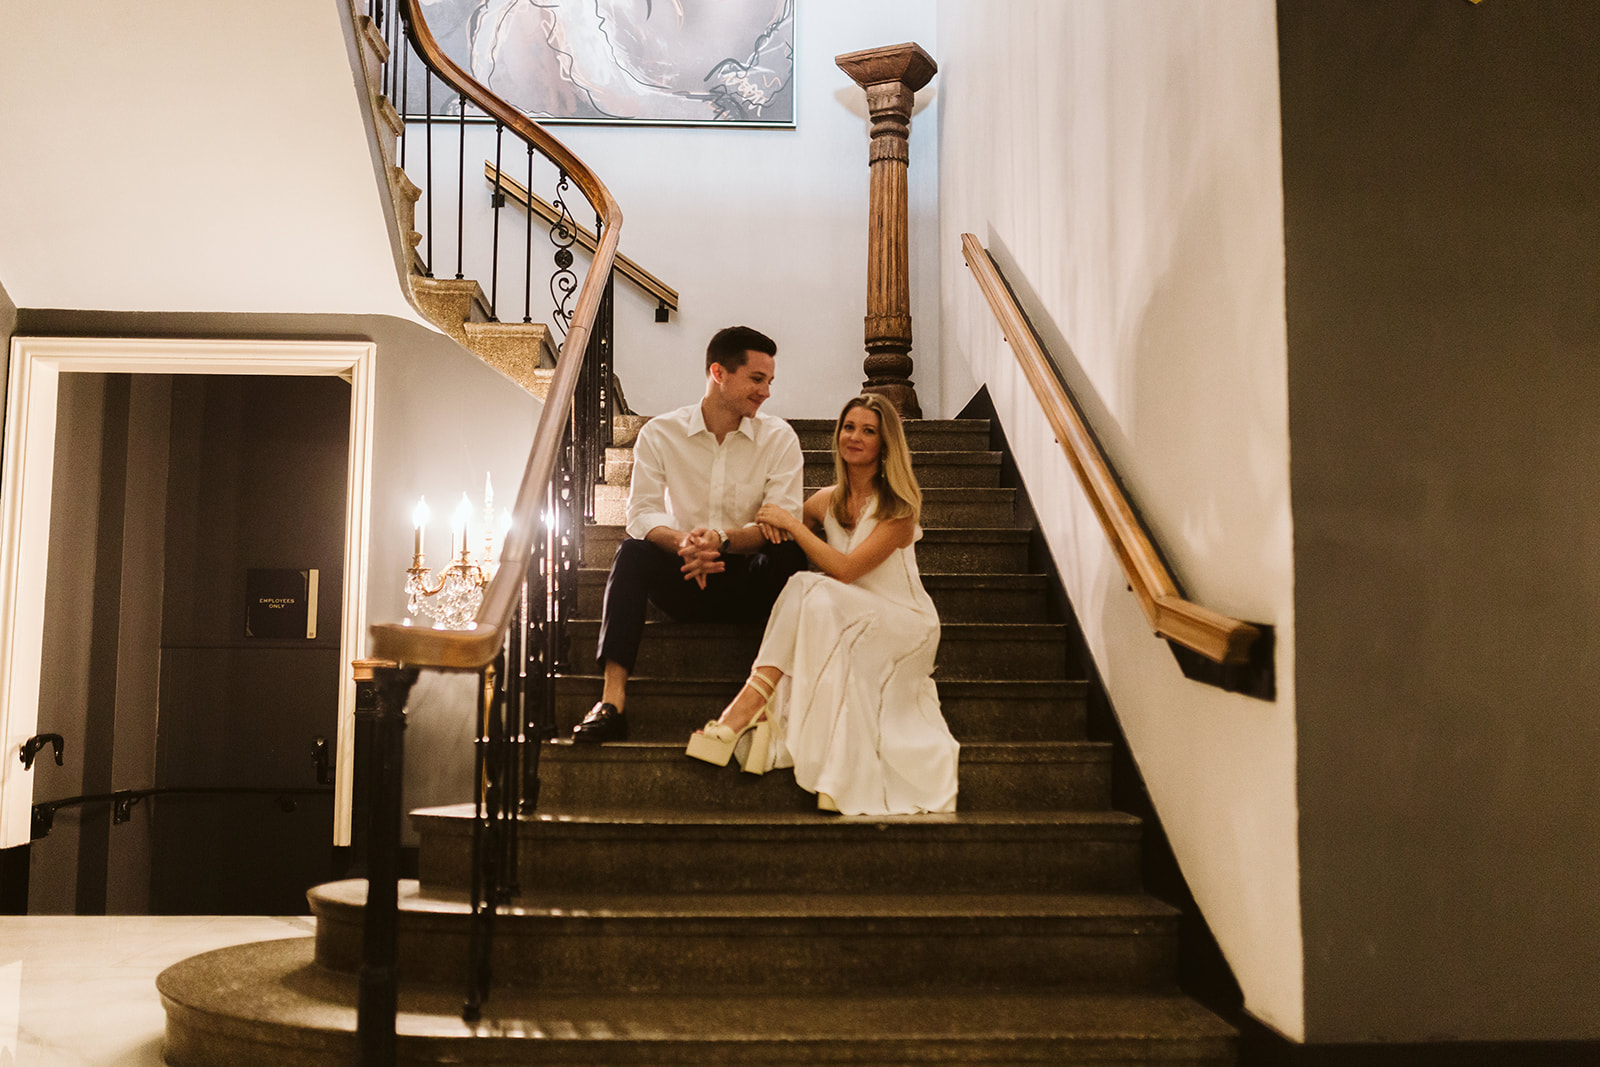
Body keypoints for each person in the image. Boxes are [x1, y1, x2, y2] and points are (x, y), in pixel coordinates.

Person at [685, 393, 959, 816]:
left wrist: (793, 523)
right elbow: (765, 529)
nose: (855, 437)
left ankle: (749, 705)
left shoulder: (899, 509)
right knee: (809, 592)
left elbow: (847, 570)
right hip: (845, 615)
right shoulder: (828, 499)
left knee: (808, 586)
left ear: (885, 444)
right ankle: (784, 729)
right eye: (849, 427)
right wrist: (721, 539)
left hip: (905, 624)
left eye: (869, 430)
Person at [573, 326, 807, 742]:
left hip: (748, 581)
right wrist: (685, 543)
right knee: (631, 553)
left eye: (770, 381)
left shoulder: (779, 438)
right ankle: (611, 702)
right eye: (757, 379)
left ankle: (764, 699)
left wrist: (722, 540)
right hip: (684, 577)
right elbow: (641, 513)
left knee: (788, 554)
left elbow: (783, 520)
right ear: (718, 372)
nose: (766, 392)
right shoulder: (661, 433)